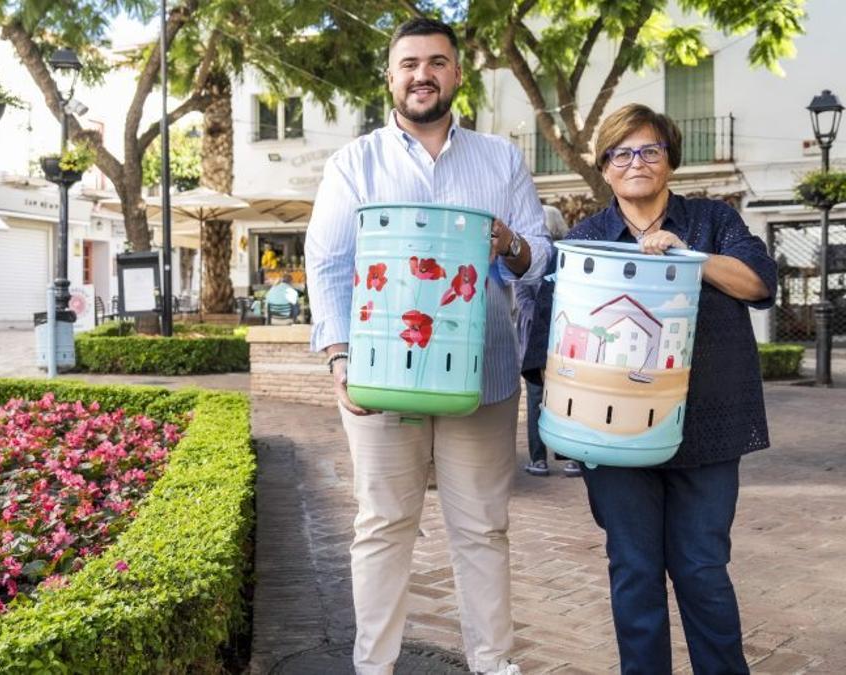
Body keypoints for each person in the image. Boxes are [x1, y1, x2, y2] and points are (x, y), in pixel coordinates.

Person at [304, 17, 551, 675]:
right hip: (383, 376)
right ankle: (374, 666)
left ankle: (493, 664)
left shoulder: (501, 159)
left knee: (482, 529)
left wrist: (511, 244)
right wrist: (338, 360)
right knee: (383, 526)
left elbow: (539, 254)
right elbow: (327, 265)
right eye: (409, 63)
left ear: (457, 74)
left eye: (436, 62)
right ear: (390, 77)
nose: (422, 74)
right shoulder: (353, 163)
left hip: (484, 377)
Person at [523, 103, 776, 674]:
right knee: (634, 569)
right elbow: (546, 337)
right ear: (606, 168)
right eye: (622, 152)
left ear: (669, 161)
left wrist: (686, 255)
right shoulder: (587, 238)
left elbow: (760, 281)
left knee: (702, 568)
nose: (636, 162)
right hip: (611, 435)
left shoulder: (712, 221)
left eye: (650, 150)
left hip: (707, 428)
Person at [516, 205, 581, 477]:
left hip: (565, 339)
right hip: (538, 337)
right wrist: (548, 314)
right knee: (540, 397)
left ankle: (568, 457)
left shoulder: (570, 258)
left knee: (564, 398)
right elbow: (521, 296)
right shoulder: (529, 257)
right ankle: (541, 457)